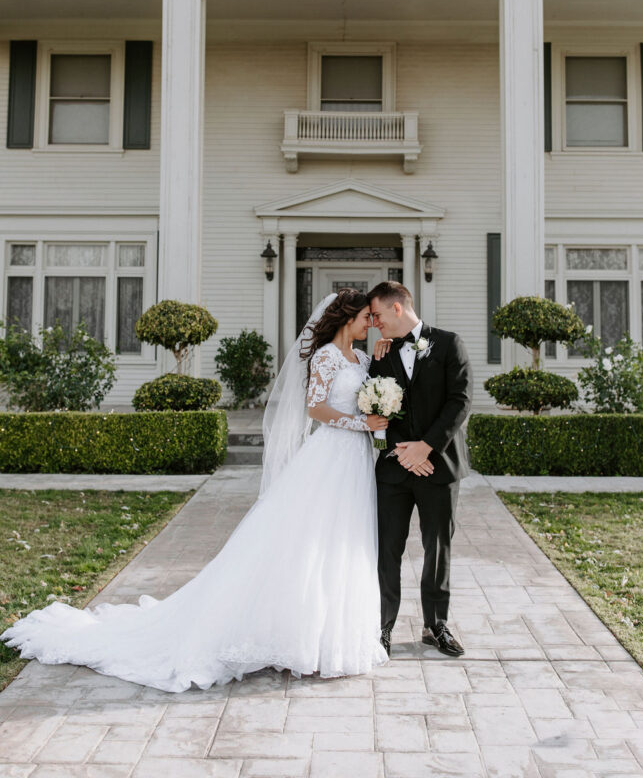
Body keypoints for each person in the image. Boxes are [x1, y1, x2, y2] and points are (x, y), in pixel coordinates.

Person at [0, 289, 389, 692]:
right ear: (347, 318)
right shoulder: (325, 355)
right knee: (307, 541)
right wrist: (362, 424)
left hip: (355, 461)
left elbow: (368, 396)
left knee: (341, 541)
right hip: (328, 457)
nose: (369, 324)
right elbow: (316, 409)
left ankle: (331, 639)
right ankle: (299, 639)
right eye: (365, 318)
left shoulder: (361, 358)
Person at [368, 280, 473, 659]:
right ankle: (383, 627)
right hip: (394, 471)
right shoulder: (379, 355)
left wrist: (427, 447)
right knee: (387, 550)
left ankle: (436, 625)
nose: (374, 324)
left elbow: (460, 400)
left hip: (438, 467)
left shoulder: (449, 343)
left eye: (378, 315)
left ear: (398, 308)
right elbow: (375, 408)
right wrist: (403, 451)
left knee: (437, 547)